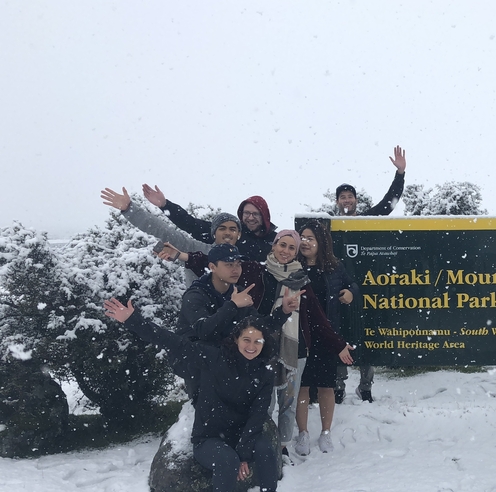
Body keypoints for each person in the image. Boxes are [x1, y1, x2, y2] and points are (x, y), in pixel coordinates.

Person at [103, 298, 281, 492]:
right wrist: (133, 320)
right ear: (236, 340)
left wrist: (245, 452)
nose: (252, 346)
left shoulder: (264, 372)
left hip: (242, 433)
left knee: (266, 449)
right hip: (209, 437)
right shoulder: (213, 357)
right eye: (246, 340)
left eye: (257, 341)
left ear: (264, 343)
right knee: (227, 459)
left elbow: (258, 413)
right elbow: (172, 341)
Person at [257, 230, 355, 457]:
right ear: (274, 246)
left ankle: (282, 447)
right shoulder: (260, 274)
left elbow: (318, 316)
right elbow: (220, 261)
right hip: (262, 346)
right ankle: (261, 449)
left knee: (289, 401)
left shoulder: (301, 279)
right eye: (283, 245)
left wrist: (338, 343)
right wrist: (183, 256)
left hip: (296, 346)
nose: (286, 251)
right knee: (265, 402)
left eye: (292, 247)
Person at [333, 145, 407, 401]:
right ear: (337, 202)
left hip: (368, 290)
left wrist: (400, 174)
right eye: (342, 197)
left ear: (355, 201)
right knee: (339, 338)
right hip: (340, 293)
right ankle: (338, 386)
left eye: (350, 196)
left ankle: (365, 387)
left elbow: (389, 203)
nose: (346, 200)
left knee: (368, 337)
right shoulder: (329, 228)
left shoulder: (367, 219)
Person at [296, 219, 360, 453]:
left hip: (327, 335)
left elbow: (353, 284)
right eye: (302, 237)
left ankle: (325, 433)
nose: (305, 242)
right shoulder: (293, 267)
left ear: (321, 242)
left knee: (326, 386)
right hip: (301, 336)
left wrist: (351, 293)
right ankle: (302, 434)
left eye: (310, 238)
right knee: (302, 386)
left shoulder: (334, 268)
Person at [100, 186, 240, 283]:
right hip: (198, 319)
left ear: (238, 234)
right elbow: (163, 230)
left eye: (232, 229)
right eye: (222, 228)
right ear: (213, 233)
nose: (227, 232)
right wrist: (130, 209)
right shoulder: (195, 248)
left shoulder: (247, 260)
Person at [140, 184, 278, 261]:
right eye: (247, 213)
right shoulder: (227, 233)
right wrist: (165, 205)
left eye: (256, 214)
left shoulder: (276, 241)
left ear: (264, 216)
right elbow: (191, 224)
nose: (250, 217)